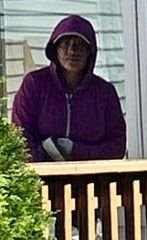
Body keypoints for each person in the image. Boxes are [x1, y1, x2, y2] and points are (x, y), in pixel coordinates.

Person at [11, 15, 127, 163]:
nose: (72, 51)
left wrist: (75, 150)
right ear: (55, 49)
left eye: (80, 45)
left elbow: (117, 146)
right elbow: (20, 135)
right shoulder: (35, 84)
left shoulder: (104, 92)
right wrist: (46, 160)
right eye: (66, 44)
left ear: (90, 52)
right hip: (42, 174)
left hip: (93, 175)